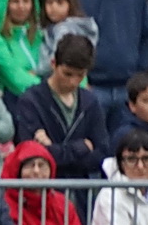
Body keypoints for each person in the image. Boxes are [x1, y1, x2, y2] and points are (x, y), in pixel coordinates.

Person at [11, 33, 107, 187]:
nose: (73, 81)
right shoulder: (31, 101)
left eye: (80, 75)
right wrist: (81, 148)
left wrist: (54, 150)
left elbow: (101, 153)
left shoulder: (90, 101)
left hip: (81, 194)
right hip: (44, 193)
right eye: (67, 74)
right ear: (53, 64)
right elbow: (32, 153)